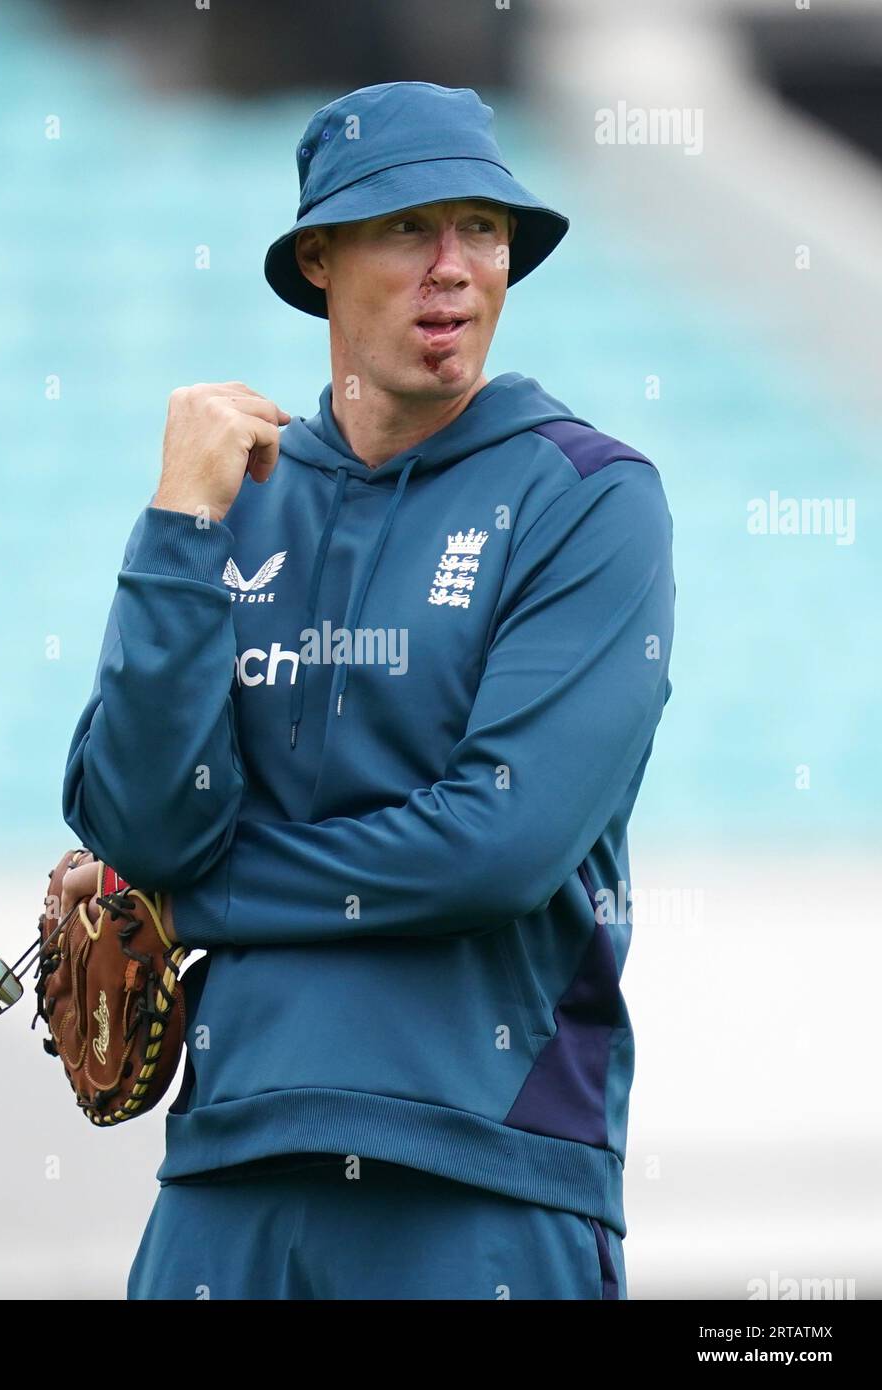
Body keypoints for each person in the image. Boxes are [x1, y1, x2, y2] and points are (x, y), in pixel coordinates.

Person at [62, 80, 676, 1300]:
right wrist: (178, 525)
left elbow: (495, 845)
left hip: (483, 1174)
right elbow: (136, 826)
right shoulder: (233, 499)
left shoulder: (591, 496)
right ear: (319, 262)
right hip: (229, 1164)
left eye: (483, 230)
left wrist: (196, 905)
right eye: (408, 228)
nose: (454, 268)